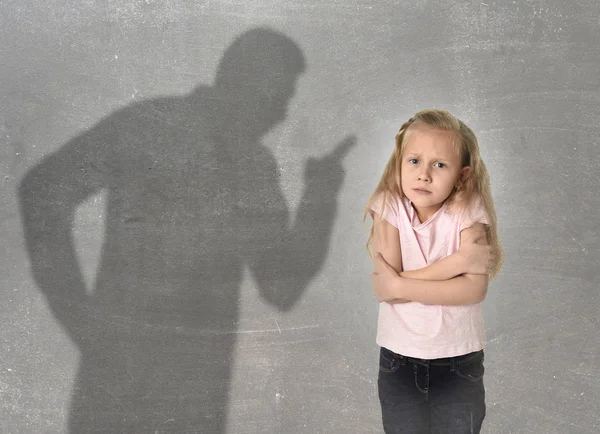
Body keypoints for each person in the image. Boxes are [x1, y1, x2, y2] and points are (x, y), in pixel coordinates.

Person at [18, 27, 354, 433]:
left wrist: (320, 196)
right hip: (132, 399)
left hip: (183, 405)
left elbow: (281, 287)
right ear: (248, 83)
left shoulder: (243, 163)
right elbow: (41, 193)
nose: (281, 114)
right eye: (278, 97)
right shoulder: (155, 129)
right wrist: (80, 317)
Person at [363, 108, 504, 433]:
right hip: (399, 361)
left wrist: (397, 284)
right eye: (414, 161)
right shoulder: (388, 206)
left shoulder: (467, 208)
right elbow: (389, 293)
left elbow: (473, 290)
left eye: (439, 165)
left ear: (462, 175)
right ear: (399, 163)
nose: (424, 174)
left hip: (459, 362)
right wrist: (456, 263)